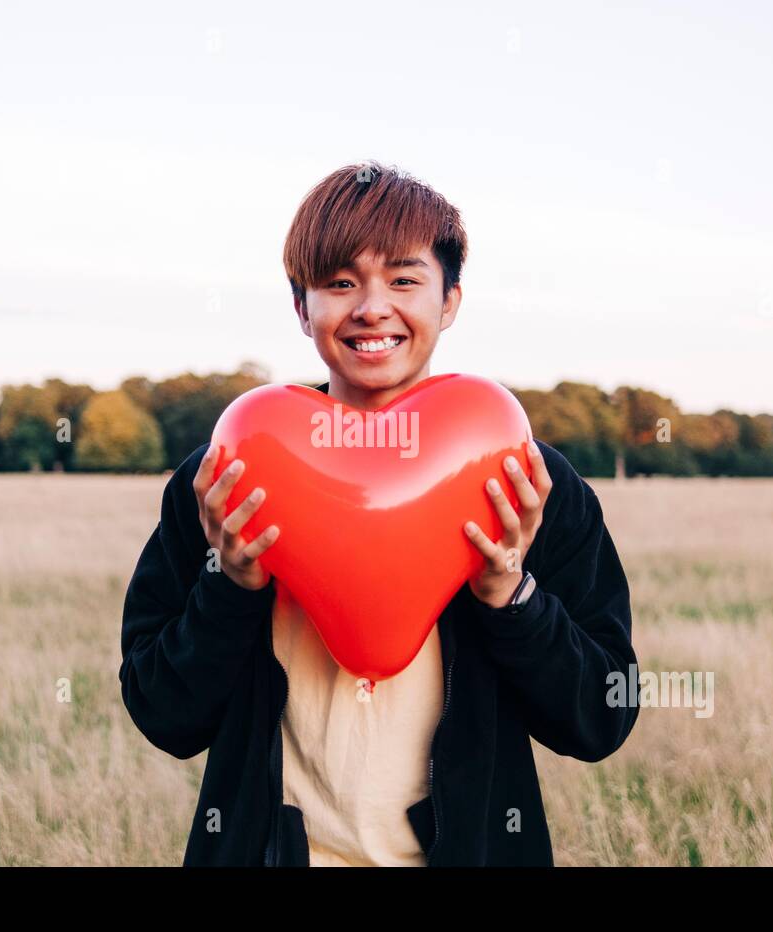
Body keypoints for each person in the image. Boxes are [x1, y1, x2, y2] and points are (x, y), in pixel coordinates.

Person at [119, 161, 639, 865]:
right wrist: (228, 588)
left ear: (450, 299)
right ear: (301, 308)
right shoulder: (229, 472)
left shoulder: (524, 479)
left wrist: (510, 598)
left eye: (404, 278)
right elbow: (162, 714)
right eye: (339, 282)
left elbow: (602, 718)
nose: (371, 308)